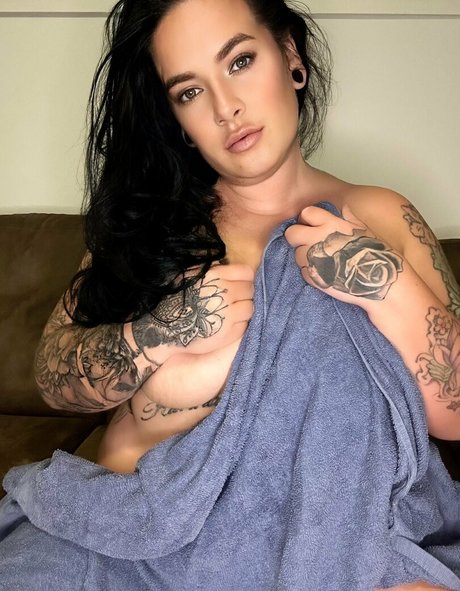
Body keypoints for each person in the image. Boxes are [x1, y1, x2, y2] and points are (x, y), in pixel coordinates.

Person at [1, 0, 459, 589]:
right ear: (176, 119)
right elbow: (53, 376)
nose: (225, 108)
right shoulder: (153, 223)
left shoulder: (383, 215)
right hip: (124, 533)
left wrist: (389, 287)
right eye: (189, 92)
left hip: (310, 542)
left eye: (240, 61)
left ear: (290, 56)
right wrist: (159, 333)